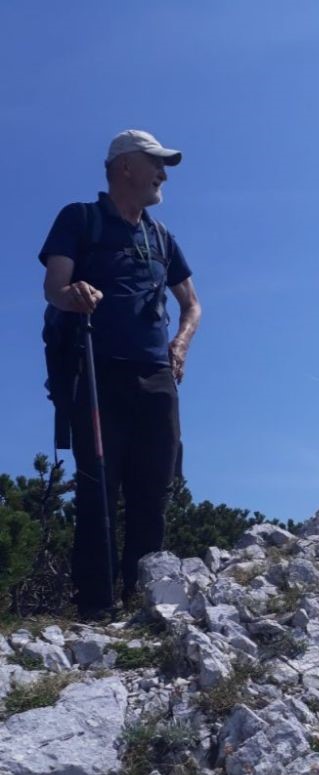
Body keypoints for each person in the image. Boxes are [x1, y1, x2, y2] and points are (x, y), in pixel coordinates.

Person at [39, 129, 202, 618]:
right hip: (95, 370)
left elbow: (192, 304)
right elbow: (54, 287)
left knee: (154, 489)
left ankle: (142, 602)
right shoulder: (80, 218)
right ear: (125, 166)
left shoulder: (162, 236)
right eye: (156, 163)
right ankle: (94, 608)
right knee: (98, 490)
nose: (163, 174)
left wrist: (179, 345)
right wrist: (74, 295)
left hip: (156, 375)